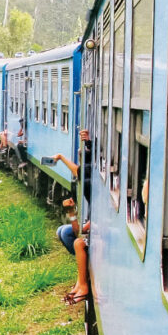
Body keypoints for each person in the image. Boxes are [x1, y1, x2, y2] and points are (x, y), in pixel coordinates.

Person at [52, 129, 93, 304]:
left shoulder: (91, 183)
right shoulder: (87, 178)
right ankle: (80, 280)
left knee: (76, 240)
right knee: (63, 231)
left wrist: (90, 143)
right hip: (91, 223)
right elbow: (76, 170)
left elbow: (79, 233)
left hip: (100, 227)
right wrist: (71, 214)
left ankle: (83, 284)